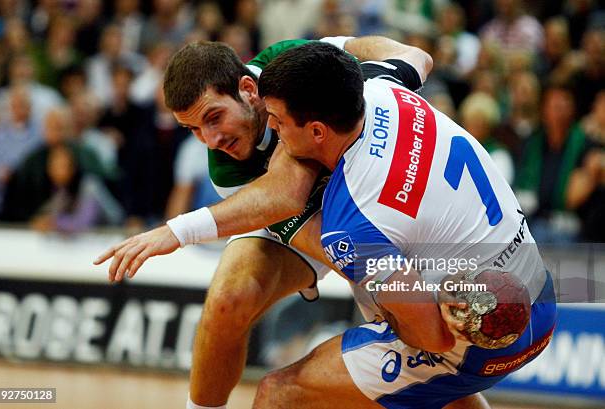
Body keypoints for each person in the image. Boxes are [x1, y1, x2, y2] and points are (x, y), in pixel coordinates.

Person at [95, 36, 462, 409]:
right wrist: (390, 274)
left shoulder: (288, 63)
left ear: (248, 89)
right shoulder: (227, 170)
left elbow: (386, 51)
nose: (211, 140)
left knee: (434, 367)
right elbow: (310, 228)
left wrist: (369, 77)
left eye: (213, 117)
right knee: (227, 299)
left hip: (375, 198)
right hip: (322, 228)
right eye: (193, 130)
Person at [251, 41, 556, 409]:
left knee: (279, 393)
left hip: (478, 340)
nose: (272, 128)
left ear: (318, 131)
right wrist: (342, 44)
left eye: (278, 120)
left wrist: (280, 216)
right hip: (537, 297)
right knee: (440, 392)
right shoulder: (383, 87)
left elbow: (432, 338)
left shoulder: (350, 218)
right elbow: (419, 56)